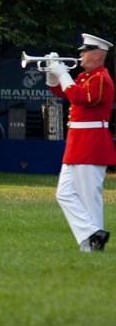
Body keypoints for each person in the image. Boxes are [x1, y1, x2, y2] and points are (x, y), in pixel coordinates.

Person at [46, 33, 116, 252]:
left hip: (92, 144)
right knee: (64, 194)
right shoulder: (87, 77)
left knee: (89, 196)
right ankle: (92, 234)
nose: (81, 55)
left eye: (85, 52)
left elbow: (77, 96)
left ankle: (92, 243)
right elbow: (61, 91)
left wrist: (63, 73)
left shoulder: (101, 79)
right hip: (78, 144)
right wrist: (52, 73)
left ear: (97, 54)